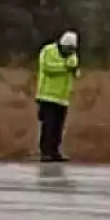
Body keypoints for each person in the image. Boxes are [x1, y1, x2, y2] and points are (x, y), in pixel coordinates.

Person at [36, 30, 80, 162]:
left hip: (63, 98)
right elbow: (48, 68)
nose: (69, 51)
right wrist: (65, 67)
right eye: (67, 48)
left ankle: (55, 151)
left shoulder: (72, 55)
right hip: (47, 95)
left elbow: (75, 69)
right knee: (48, 125)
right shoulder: (48, 51)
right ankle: (45, 152)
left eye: (71, 49)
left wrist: (73, 70)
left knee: (58, 127)